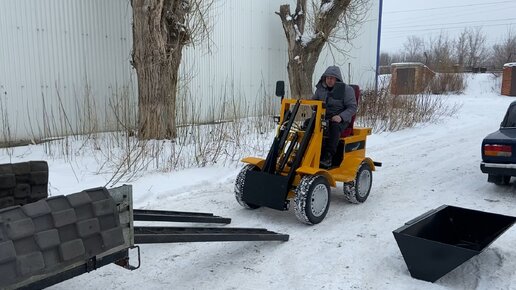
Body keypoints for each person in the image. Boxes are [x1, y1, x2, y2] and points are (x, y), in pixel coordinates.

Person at [312, 66, 357, 168]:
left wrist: (340, 117)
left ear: (337, 79)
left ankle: (328, 156)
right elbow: (314, 101)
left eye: (332, 78)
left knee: (334, 127)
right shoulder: (320, 89)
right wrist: (311, 104)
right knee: (307, 124)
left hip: (340, 120)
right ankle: (307, 153)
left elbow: (352, 107)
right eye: (327, 78)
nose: (329, 80)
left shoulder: (346, 90)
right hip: (324, 118)